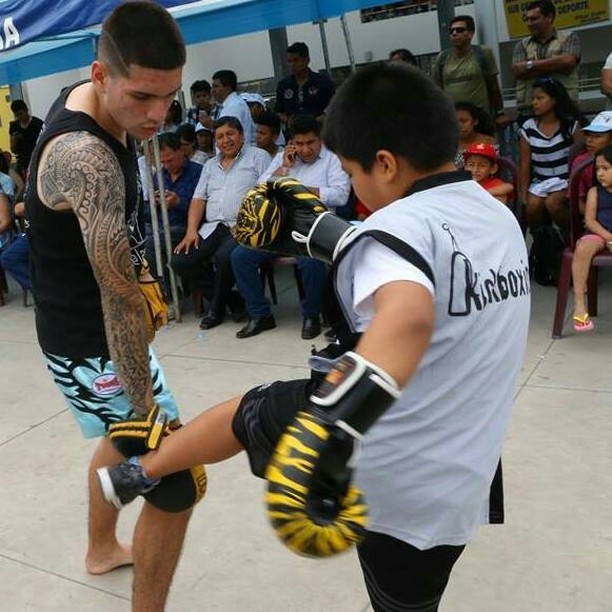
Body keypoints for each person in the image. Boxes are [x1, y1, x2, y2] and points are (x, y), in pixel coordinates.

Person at [97, 63, 530, 612]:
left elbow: (411, 312)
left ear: (386, 164)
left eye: (352, 171)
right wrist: (322, 231)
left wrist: (335, 422)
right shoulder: (495, 216)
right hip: (463, 467)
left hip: (391, 469)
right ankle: (143, 471)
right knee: (253, 411)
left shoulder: (392, 232)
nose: (352, 185)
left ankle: (142, 470)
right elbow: (427, 262)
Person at [23, 4, 205, 610]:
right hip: (87, 338)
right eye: (143, 97)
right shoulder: (87, 158)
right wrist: (148, 406)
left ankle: (101, 547)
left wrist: (144, 272)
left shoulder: (108, 103)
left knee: (120, 439)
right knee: (172, 480)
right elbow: (114, 296)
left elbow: (119, 246)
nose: (158, 116)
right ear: (101, 76)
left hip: (105, 324)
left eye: (170, 98)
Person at [232, 113, 350, 340]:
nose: (305, 150)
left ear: (321, 140)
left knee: (311, 261)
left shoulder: (333, 159)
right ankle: (260, 314)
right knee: (240, 256)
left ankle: (311, 315)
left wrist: (298, 189)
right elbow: (261, 188)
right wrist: (284, 169)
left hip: (313, 228)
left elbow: (340, 195)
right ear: (291, 142)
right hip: (277, 229)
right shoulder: (282, 158)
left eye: (310, 143)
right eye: (299, 143)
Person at [171, 116, 270, 330]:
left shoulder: (258, 157)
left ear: (242, 134)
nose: (225, 140)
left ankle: (215, 308)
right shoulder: (209, 165)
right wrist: (191, 231)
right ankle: (232, 301)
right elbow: (198, 199)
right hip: (213, 226)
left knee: (225, 256)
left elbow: (270, 193)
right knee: (181, 259)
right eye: (220, 137)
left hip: (243, 226)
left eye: (230, 134)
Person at [519, 77, 584, 286]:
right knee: (532, 206)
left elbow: (582, 159)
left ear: (554, 100)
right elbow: (525, 163)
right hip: (541, 180)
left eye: (540, 98)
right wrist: (523, 193)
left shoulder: (570, 125)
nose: (534, 102)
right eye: (533, 99)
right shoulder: (528, 127)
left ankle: (573, 236)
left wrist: (574, 186)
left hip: (567, 178)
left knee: (553, 204)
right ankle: (545, 250)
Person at [145, 132, 204, 286]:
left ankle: (167, 294)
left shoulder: (198, 172)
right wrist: (156, 203)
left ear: (181, 151)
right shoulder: (159, 175)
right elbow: (147, 210)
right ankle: (163, 291)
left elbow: (203, 209)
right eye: (162, 161)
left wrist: (178, 202)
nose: (167, 165)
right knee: (135, 239)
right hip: (159, 225)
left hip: (185, 228)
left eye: (170, 160)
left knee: (150, 245)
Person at [432, 15, 510, 129]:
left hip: (480, 119)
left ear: (470, 34)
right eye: (451, 31)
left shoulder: (483, 53)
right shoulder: (442, 58)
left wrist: (500, 112)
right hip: (453, 121)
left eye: (459, 30)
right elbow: (437, 91)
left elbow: (493, 86)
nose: (454, 33)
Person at [512, 0, 581, 120]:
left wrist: (530, 65)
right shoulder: (521, 45)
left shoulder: (569, 38)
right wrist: (555, 65)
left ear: (549, 17)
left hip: (563, 109)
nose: (529, 23)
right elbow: (518, 70)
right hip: (530, 111)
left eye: (534, 19)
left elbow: (568, 62)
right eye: (527, 19)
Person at [571, 145, 612, 332]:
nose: (600, 173)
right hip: (598, 233)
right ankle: (580, 305)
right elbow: (589, 220)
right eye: (597, 169)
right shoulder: (594, 193)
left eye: (606, 168)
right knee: (583, 248)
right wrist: (609, 237)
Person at [275, 42, 335, 125]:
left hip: (318, 132)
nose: (292, 64)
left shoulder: (323, 82)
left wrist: (317, 120)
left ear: (307, 60)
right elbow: (278, 111)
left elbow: (334, 107)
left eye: (296, 60)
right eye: (289, 61)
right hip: (294, 134)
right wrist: (287, 120)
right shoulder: (283, 85)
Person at [570, 111, 612, 213]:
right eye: (589, 135)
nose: (589, 140)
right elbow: (577, 200)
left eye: (597, 136)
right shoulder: (581, 163)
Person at [199, 70, 254, 145]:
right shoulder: (230, 104)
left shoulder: (234, 106)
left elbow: (229, 133)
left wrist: (211, 124)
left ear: (228, 88)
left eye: (216, 87)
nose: (212, 91)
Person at [9, 100, 44, 179]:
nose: (20, 117)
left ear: (26, 110)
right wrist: (15, 139)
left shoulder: (37, 123)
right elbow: (13, 149)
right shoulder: (14, 126)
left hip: (37, 159)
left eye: (21, 114)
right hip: (23, 163)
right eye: (17, 115)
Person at [454, 101, 495, 167]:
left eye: (464, 121)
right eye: (454, 121)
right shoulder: (447, 146)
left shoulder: (490, 143)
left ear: (475, 121)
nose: (459, 126)